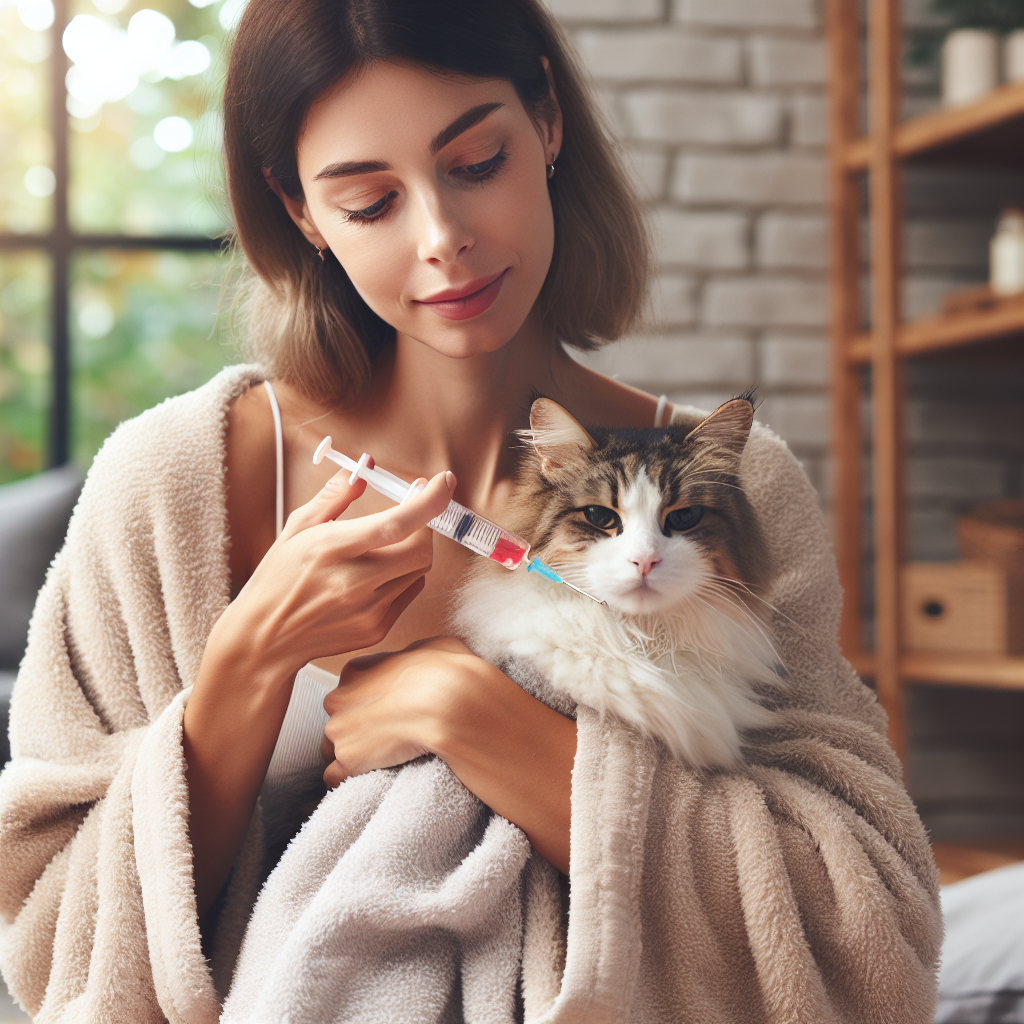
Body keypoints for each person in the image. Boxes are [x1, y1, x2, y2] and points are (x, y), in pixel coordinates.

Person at [0, 1, 942, 1021]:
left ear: (546, 120)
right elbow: (50, 942)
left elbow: (866, 942)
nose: (443, 239)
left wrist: (481, 722)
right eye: (369, 203)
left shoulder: (734, 490)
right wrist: (246, 664)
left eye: (476, 162)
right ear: (301, 213)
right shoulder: (173, 482)